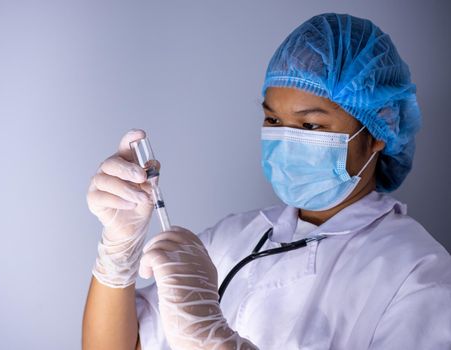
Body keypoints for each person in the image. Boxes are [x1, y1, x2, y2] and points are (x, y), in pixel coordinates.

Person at [82, 13, 451, 350]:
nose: (286, 138)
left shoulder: (417, 274)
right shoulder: (231, 239)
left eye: (310, 126)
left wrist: (210, 339)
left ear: (376, 131)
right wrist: (118, 252)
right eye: (273, 121)